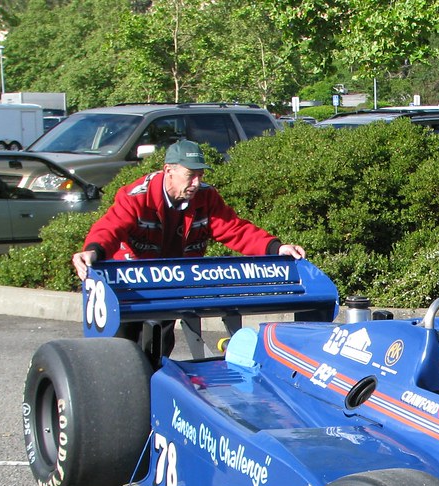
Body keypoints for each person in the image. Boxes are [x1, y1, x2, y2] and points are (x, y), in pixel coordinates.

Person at [71, 139, 307, 354]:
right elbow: (111, 227)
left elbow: (235, 229)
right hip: (129, 285)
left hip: (170, 284)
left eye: (200, 175)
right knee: (121, 350)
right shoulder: (137, 197)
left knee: (158, 348)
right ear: (168, 171)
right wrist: (93, 250)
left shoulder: (206, 197)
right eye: (190, 175)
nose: (197, 183)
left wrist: (276, 248)